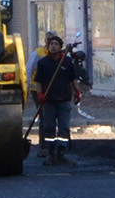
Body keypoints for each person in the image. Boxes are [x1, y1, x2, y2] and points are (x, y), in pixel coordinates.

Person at [30, 33, 81, 165]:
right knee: (49, 128)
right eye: (51, 44)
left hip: (64, 100)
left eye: (56, 44)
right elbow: (38, 81)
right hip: (49, 101)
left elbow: (73, 78)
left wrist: (77, 91)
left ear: (60, 47)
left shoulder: (67, 62)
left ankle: (61, 153)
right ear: (48, 46)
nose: (53, 46)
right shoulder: (43, 63)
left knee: (64, 127)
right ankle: (51, 153)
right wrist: (40, 94)